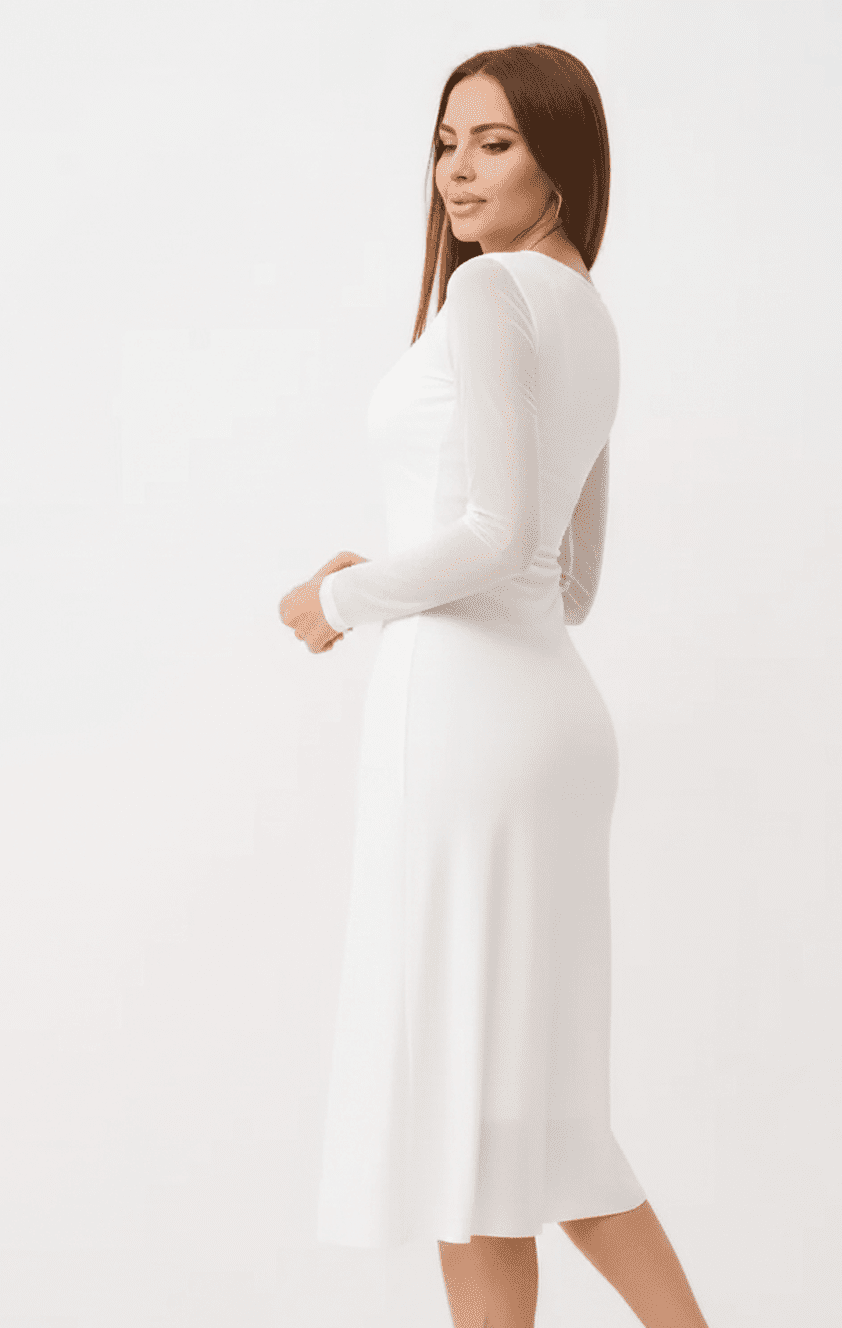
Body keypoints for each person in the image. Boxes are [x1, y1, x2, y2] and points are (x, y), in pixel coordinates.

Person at [279, 42, 711, 1328]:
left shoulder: (488, 294)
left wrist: (342, 598)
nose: (457, 172)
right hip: (550, 718)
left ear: (560, 163)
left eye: (496, 143)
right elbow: (566, 581)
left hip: (465, 722)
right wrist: (396, 572)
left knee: (470, 1117)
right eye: (446, 142)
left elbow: (495, 536)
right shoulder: (588, 312)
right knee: (530, 1117)